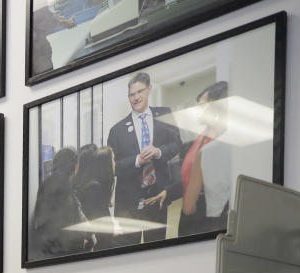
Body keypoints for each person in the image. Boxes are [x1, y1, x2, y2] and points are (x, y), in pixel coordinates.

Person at [106, 71, 181, 244]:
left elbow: (177, 144)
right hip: (128, 204)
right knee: (127, 253)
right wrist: (136, 161)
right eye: (132, 94)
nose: (136, 97)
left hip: (157, 196)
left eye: (140, 92)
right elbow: (111, 167)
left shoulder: (164, 114)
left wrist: (159, 152)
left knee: (156, 249)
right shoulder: (117, 131)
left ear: (149, 90)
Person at [179, 81, 231, 237]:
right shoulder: (202, 137)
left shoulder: (222, 139)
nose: (198, 110)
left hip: (209, 216)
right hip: (192, 213)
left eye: (202, 105)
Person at [30, 147, 91, 258]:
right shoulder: (62, 186)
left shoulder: (49, 183)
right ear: (75, 167)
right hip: (61, 253)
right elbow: (67, 222)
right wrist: (84, 239)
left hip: (47, 251)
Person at [74, 144, 118, 250]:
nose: (114, 163)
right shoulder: (94, 189)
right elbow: (102, 232)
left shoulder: (92, 186)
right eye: (113, 159)